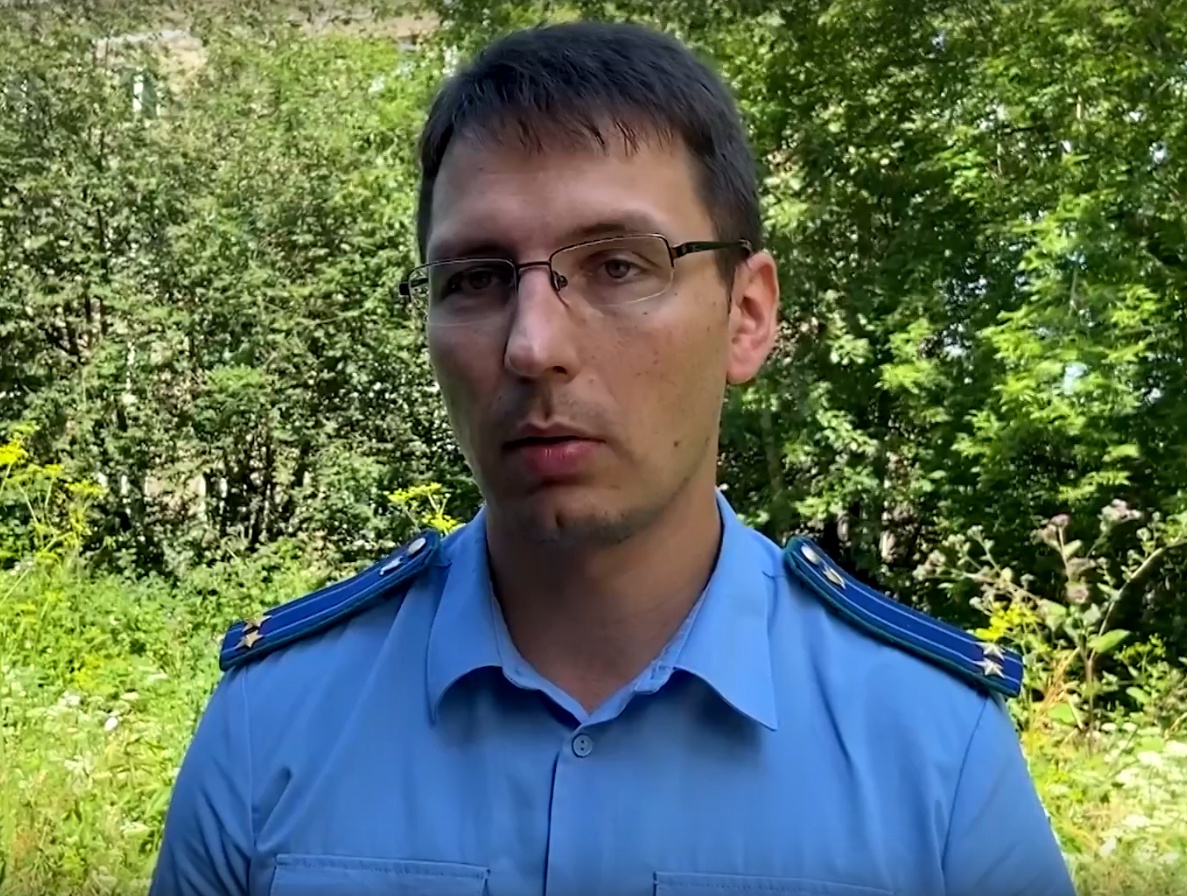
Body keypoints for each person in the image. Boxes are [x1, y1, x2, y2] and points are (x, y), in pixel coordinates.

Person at [149, 19, 1077, 896]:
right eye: (475, 279)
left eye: (619, 266)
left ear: (747, 315)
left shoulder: (935, 753)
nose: (532, 346)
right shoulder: (270, 727)